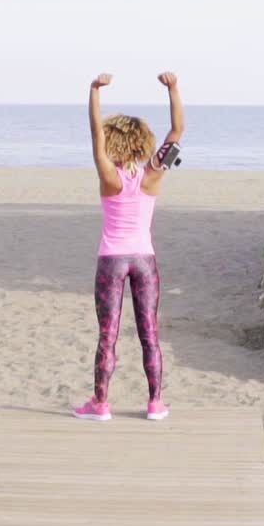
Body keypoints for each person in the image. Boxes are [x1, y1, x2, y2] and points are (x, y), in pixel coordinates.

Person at [73, 71, 184, 422]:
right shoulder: (153, 173)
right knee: (149, 332)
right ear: (143, 141)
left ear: (112, 142)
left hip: (112, 260)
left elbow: (94, 132)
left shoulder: (108, 174)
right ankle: (155, 404)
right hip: (143, 260)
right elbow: (177, 132)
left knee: (108, 334)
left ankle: (100, 404)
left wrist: (93, 91)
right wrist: (173, 89)